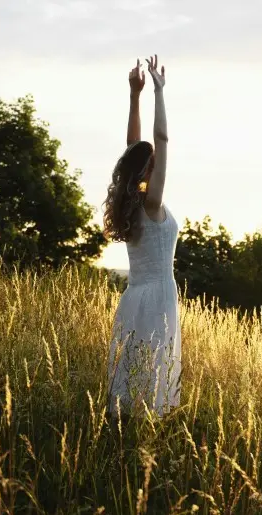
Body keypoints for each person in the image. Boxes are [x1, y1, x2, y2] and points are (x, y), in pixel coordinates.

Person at [103, 55, 180, 416]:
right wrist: (159, 92)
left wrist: (135, 96)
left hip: (135, 295)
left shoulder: (131, 201)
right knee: (152, 380)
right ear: (148, 167)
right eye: (151, 160)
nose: (156, 160)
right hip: (159, 296)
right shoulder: (151, 202)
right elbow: (159, 140)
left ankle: (122, 439)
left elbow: (133, 147)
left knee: (133, 374)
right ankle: (139, 446)